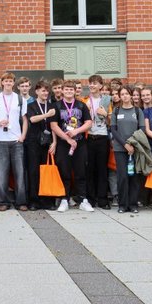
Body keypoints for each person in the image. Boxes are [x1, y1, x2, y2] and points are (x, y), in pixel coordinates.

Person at [50, 80, 93, 212]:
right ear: (62, 91)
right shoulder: (56, 106)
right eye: (66, 89)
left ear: (75, 91)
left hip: (79, 143)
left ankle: (83, 199)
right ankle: (64, 199)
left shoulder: (81, 105)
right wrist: (67, 138)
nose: (69, 91)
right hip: (64, 145)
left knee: (81, 172)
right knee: (65, 172)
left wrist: (76, 131)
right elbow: (53, 125)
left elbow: (88, 123)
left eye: (71, 89)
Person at [0, 72, 28, 211]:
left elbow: (25, 120)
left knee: (19, 172)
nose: (8, 83)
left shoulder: (20, 99)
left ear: (13, 83)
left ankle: (21, 202)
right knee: (2, 173)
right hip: (1, 140)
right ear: (1, 83)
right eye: (5, 81)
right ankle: (3, 202)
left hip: (16, 140)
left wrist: (23, 136)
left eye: (10, 81)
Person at [110, 85, 145, 213]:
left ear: (131, 95)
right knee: (122, 176)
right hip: (120, 148)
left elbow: (142, 129)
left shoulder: (137, 111)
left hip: (135, 148)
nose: (124, 96)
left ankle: (133, 204)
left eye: (127, 93)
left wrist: (132, 144)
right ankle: (122, 204)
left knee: (134, 176)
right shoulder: (116, 110)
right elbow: (113, 129)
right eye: (122, 94)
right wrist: (125, 144)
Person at [24, 80, 56, 211]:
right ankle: (33, 201)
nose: (46, 93)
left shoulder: (52, 105)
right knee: (33, 172)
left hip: (47, 143)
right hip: (33, 143)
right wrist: (47, 115)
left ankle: (47, 201)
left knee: (46, 171)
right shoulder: (31, 105)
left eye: (47, 91)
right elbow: (32, 119)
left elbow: (54, 126)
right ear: (36, 91)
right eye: (43, 90)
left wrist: (54, 142)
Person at [84, 75, 110, 209]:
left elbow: (112, 122)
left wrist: (105, 114)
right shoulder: (84, 101)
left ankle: (103, 199)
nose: (92, 86)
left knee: (102, 169)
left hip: (102, 137)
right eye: (90, 83)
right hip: (89, 137)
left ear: (100, 86)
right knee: (89, 169)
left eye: (95, 83)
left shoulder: (106, 101)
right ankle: (90, 199)